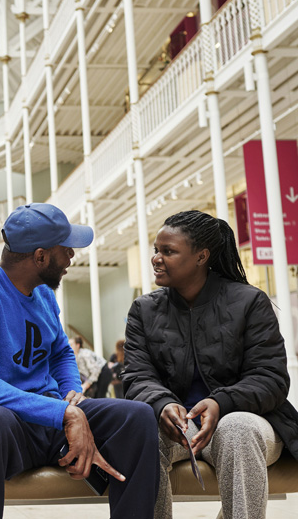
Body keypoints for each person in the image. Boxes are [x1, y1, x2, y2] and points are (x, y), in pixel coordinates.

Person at [0, 203, 159, 519]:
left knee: (138, 416)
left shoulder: (44, 293)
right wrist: (64, 414)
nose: (72, 257)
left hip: (49, 413)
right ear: (41, 256)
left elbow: (61, 351)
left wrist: (71, 394)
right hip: (4, 425)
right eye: (66, 250)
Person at [124, 210, 298, 519]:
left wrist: (220, 403)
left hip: (246, 420)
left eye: (168, 251)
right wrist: (163, 403)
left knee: (237, 428)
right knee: (145, 428)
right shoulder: (144, 310)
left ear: (201, 256)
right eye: (156, 250)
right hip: (181, 425)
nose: (156, 258)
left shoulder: (249, 302)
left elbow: (271, 378)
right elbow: (137, 377)